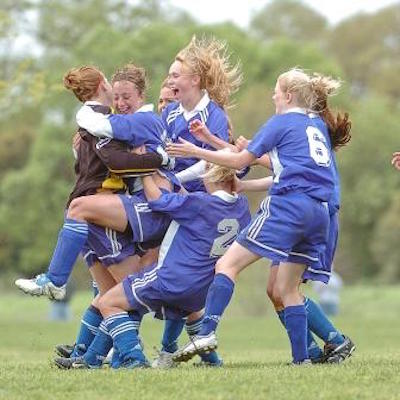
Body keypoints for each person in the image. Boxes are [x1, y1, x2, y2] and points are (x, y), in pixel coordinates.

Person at [168, 68, 336, 365]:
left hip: (290, 207)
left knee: (226, 264)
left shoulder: (282, 121)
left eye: (275, 90)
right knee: (287, 289)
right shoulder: (317, 125)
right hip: (320, 212)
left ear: (288, 95)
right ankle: (302, 360)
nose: (273, 95)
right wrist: (213, 142)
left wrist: (197, 149)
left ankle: (206, 332)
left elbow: (239, 160)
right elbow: (282, 165)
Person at [54, 163, 251, 369]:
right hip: (202, 290)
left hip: (171, 281)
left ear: (211, 178)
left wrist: (146, 172)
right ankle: (90, 360)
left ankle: (134, 359)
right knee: (132, 305)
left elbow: (157, 200)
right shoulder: (242, 208)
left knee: (109, 303)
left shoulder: (200, 203)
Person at [15, 64, 175, 301]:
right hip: (143, 206)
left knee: (79, 208)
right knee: (110, 296)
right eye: (117, 96)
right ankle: (95, 339)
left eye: (126, 97)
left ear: (142, 96)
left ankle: (55, 280)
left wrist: (86, 113)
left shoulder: (142, 120)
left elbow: (105, 132)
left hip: (150, 208)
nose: (120, 103)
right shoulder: (129, 124)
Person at [162, 35, 242, 192]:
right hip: (173, 190)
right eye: (169, 76)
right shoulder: (170, 113)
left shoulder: (214, 115)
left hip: (202, 194)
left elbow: (213, 163)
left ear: (195, 80)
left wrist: (175, 180)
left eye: (175, 76)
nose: (170, 81)